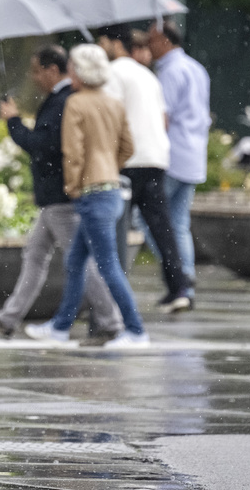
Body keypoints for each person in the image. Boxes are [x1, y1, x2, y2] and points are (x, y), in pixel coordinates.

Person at [0, 45, 124, 345]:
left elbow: (44, 145)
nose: (34, 76)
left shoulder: (63, 101)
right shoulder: (61, 100)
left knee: (82, 262)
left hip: (61, 198)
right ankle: (7, 319)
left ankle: (111, 322)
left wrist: (14, 121)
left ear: (53, 70)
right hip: (56, 198)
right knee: (36, 255)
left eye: (37, 70)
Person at [24, 44, 149, 348]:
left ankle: (134, 330)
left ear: (79, 73)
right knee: (77, 261)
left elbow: (73, 152)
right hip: (112, 189)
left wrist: (72, 185)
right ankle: (60, 327)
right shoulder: (114, 103)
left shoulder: (76, 104)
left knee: (107, 266)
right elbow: (128, 147)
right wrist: (109, 166)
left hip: (90, 194)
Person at [97, 23, 192, 313]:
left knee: (115, 227)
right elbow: (163, 119)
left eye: (103, 43)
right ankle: (179, 288)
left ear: (115, 45)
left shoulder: (114, 74)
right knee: (162, 228)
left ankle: (112, 293)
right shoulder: (149, 76)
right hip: (156, 157)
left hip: (129, 160)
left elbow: (110, 117)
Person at [147, 21, 212, 303]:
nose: (149, 46)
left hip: (172, 154)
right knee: (178, 221)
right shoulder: (196, 68)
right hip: (194, 153)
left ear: (164, 40)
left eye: (152, 40)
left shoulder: (170, 72)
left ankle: (177, 275)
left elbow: (163, 116)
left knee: (148, 218)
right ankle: (185, 281)